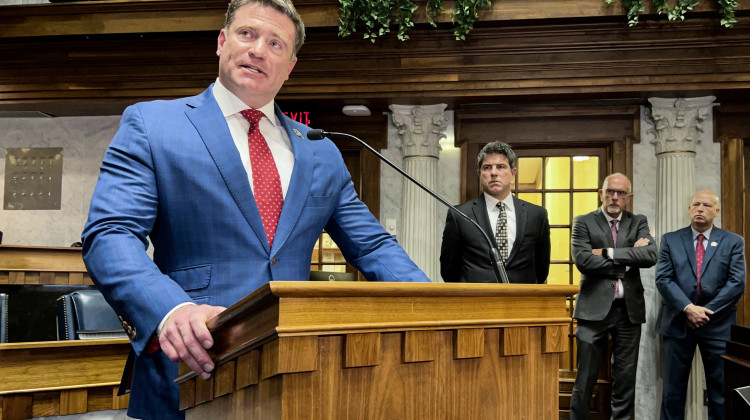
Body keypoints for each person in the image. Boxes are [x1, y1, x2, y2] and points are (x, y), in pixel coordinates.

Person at [81, 1, 429, 419]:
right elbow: (111, 234)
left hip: (295, 370)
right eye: (247, 34)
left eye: (275, 43)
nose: (258, 49)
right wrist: (170, 309)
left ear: (290, 66)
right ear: (222, 41)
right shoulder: (153, 124)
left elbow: (372, 247)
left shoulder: (320, 150)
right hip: (190, 365)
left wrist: (436, 305)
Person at [569, 173, 657, 420]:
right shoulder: (583, 222)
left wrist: (606, 252)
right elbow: (583, 260)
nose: (614, 197)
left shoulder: (638, 221)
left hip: (628, 311)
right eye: (610, 191)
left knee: (625, 379)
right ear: (601, 193)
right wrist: (628, 259)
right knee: (585, 378)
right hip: (592, 310)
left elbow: (650, 255)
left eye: (620, 193)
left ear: (629, 197)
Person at [655, 189, 746, 420]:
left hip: (717, 325)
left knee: (720, 391)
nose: (700, 209)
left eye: (706, 205)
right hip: (677, 323)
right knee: (673, 392)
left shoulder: (733, 241)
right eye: (696, 204)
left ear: (716, 211)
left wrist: (706, 311)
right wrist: (688, 308)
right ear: (689, 209)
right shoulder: (670, 239)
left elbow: (736, 283)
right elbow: (663, 279)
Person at [440, 141, 550, 284]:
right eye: (487, 167)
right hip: (476, 301)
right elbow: (449, 270)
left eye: (500, 167)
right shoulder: (459, 215)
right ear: (480, 174)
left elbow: (541, 269)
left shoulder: (537, 215)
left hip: (522, 301)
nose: (493, 173)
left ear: (513, 173)